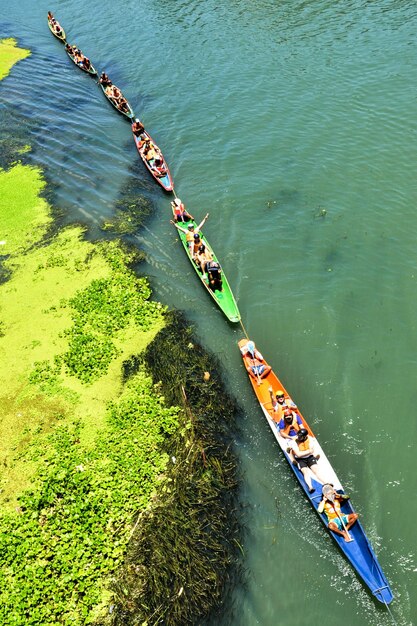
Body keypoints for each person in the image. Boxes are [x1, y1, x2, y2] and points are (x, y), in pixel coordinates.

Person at [287, 428, 326, 493]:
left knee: (315, 470)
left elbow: (311, 451)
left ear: (305, 437)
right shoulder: (293, 442)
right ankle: (310, 487)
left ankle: (326, 483)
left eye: (301, 436)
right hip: (300, 459)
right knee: (305, 471)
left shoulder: (310, 439)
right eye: (298, 436)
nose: (299, 437)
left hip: (310, 457)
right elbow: (299, 455)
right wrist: (309, 451)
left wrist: (309, 452)